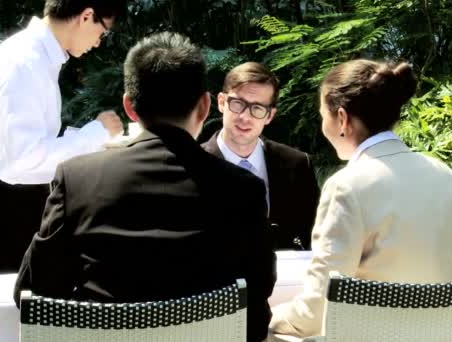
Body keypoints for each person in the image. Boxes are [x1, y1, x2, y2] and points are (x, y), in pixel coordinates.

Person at [14, 32, 276, 342]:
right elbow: (255, 313)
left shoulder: (77, 180)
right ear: (205, 106)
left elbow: (32, 294)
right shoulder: (243, 190)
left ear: (129, 107)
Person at [269, 59, 452, 337]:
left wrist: (271, 316)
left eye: (322, 115)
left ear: (341, 119)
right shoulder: (444, 175)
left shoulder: (346, 186)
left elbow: (318, 309)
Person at [0, 0, 126, 274]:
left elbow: (32, 142)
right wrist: (95, 133)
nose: (98, 43)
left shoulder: (35, 56)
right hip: (9, 209)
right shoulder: (24, 61)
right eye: (102, 32)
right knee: (15, 311)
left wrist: (91, 138)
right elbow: (26, 158)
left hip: (16, 201)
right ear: (86, 16)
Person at [202, 62, 320, 250]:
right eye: (238, 104)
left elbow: (315, 240)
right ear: (222, 102)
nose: (245, 117)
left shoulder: (297, 165)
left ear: (269, 116)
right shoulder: (191, 163)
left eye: (257, 108)